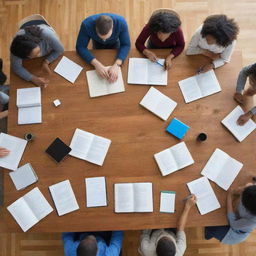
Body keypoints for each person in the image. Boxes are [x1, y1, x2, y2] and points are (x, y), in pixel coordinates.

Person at [10, 15, 64, 87]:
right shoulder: (17, 48)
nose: (39, 56)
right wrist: (34, 79)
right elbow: (16, 68)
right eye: (35, 55)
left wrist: (46, 61)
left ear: (36, 41)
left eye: (38, 52)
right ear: (25, 56)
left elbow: (60, 49)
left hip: (47, 43)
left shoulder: (47, 34)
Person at [76, 13, 131, 83]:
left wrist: (117, 64)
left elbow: (126, 45)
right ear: (96, 28)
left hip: (115, 43)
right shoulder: (86, 25)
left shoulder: (121, 22)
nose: (104, 40)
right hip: (97, 43)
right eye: (101, 37)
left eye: (106, 37)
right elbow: (80, 47)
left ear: (112, 27)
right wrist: (96, 64)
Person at [205, 180, 256, 245]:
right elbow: (245, 188)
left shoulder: (252, 221)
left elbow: (233, 224)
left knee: (211, 226)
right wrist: (244, 188)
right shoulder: (252, 195)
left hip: (233, 233)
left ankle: (208, 235)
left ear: (247, 207)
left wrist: (229, 197)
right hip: (239, 218)